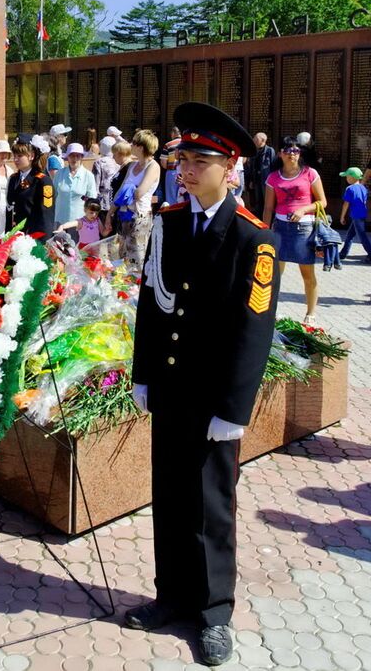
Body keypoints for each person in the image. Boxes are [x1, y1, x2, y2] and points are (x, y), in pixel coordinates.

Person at [128, 102, 279, 667]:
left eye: (199, 160)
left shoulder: (252, 239)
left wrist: (235, 406)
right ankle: (171, 597)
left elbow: (252, 331)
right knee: (168, 495)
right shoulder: (168, 221)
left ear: (230, 166)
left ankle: (214, 612)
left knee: (212, 504)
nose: (186, 169)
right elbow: (151, 302)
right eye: (182, 159)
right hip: (170, 387)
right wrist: (143, 374)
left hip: (214, 398)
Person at [263, 137, 327, 320]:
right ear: (281, 153)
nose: (292, 154)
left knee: (307, 273)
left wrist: (303, 209)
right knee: (274, 274)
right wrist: (265, 231)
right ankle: (271, 310)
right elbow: (268, 208)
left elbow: (322, 202)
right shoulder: (273, 177)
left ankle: (310, 313)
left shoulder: (309, 173)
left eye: (296, 151)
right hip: (281, 227)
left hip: (303, 228)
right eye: (288, 150)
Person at [117, 129, 160, 272]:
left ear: (141, 147)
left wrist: (128, 192)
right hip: (124, 215)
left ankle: (137, 291)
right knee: (123, 257)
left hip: (139, 217)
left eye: (134, 143)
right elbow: (122, 189)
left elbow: (139, 193)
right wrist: (111, 211)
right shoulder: (133, 165)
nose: (131, 145)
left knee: (137, 259)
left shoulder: (153, 166)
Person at [6, 134, 55, 241]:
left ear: (31, 156)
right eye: (14, 155)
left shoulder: (43, 181)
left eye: (19, 156)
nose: (15, 159)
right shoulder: (13, 179)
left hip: (32, 239)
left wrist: (42, 244)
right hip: (14, 238)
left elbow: (46, 217)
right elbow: (10, 212)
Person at [53, 142, 97, 228]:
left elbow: (92, 200)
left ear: (82, 158)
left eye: (78, 156)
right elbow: (53, 195)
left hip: (80, 222)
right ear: (67, 157)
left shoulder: (88, 176)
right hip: (60, 220)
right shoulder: (59, 174)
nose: (75, 159)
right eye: (72, 155)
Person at [339, 166, 371, 261]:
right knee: (349, 235)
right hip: (361, 215)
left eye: (347, 176)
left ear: (352, 177)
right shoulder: (363, 188)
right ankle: (343, 253)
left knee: (362, 236)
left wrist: (342, 217)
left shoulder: (349, 189)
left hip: (355, 215)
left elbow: (346, 204)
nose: (346, 178)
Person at [245, 132, 276, 218]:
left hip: (266, 181)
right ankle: (259, 219)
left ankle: (269, 219)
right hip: (256, 180)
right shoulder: (254, 151)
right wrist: (251, 180)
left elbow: (273, 166)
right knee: (258, 201)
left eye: (256, 138)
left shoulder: (269, 150)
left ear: (263, 140)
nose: (254, 140)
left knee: (268, 201)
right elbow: (251, 166)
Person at [92, 137, 119, 211]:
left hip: (103, 202)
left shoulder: (99, 162)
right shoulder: (117, 161)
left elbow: (95, 183)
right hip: (116, 200)